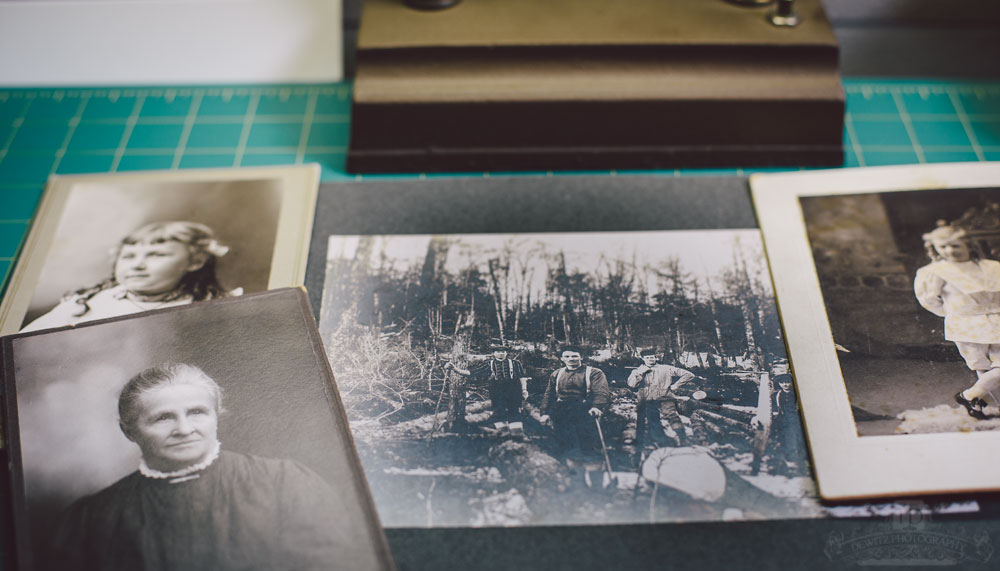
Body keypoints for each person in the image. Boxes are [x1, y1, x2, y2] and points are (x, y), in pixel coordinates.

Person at [47, 363, 347, 571]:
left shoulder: (284, 483)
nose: (184, 428)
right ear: (130, 432)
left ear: (216, 416)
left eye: (197, 412)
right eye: (163, 418)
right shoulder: (93, 517)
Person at [22, 221, 241, 332]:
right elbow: (24, 341)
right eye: (128, 256)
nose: (137, 264)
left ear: (195, 262)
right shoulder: (85, 304)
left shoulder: (208, 306)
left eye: (156, 255)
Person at [914, 222, 1000, 419]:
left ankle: (968, 395)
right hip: (966, 324)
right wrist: (955, 314)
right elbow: (929, 300)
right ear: (934, 248)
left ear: (968, 244)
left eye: (955, 245)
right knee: (982, 366)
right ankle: (984, 405)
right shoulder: (935, 272)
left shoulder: (991, 267)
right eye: (943, 247)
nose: (950, 251)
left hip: (996, 319)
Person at [538, 346, 610, 460]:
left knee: (587, 444)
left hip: (584, 410)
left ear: (581, 357)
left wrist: (597, 407)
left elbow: (601, 392)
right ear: (562, 358)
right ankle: (568, 471)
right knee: (564, 443)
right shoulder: (556, 374)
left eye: (574, 356)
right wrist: (545, 412)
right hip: (561, 411)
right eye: (567, 356)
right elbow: (549, 394)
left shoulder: (594, 373)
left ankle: (591, 471)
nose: (571, 359)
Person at [445, 343, 530, 425]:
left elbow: (522, 377)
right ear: (494, 353)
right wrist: (455, 369)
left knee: (514, 411)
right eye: (498, 351)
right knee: (498, 412)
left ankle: (516, 434)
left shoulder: (515, 363)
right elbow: (472, 373)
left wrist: (524, 390)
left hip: (513, 390)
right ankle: (503, 434)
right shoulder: (489, 364)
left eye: (503, 351)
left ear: (506, 353)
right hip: (497, 390)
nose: (501, 353)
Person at [627, 348, 696, 449]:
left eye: (652, 357)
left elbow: (689, 375)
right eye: (647, 358)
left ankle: (683, 439)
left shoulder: (666, 368)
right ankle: (661, 442)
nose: (650, 359)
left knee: (672, 416)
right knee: (653, 420)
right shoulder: (637, 371)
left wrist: (676, 385)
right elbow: (632, 385)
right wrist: (640, 374)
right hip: (647, 400)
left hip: (665, 397)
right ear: (642, 359)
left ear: (656, 357)